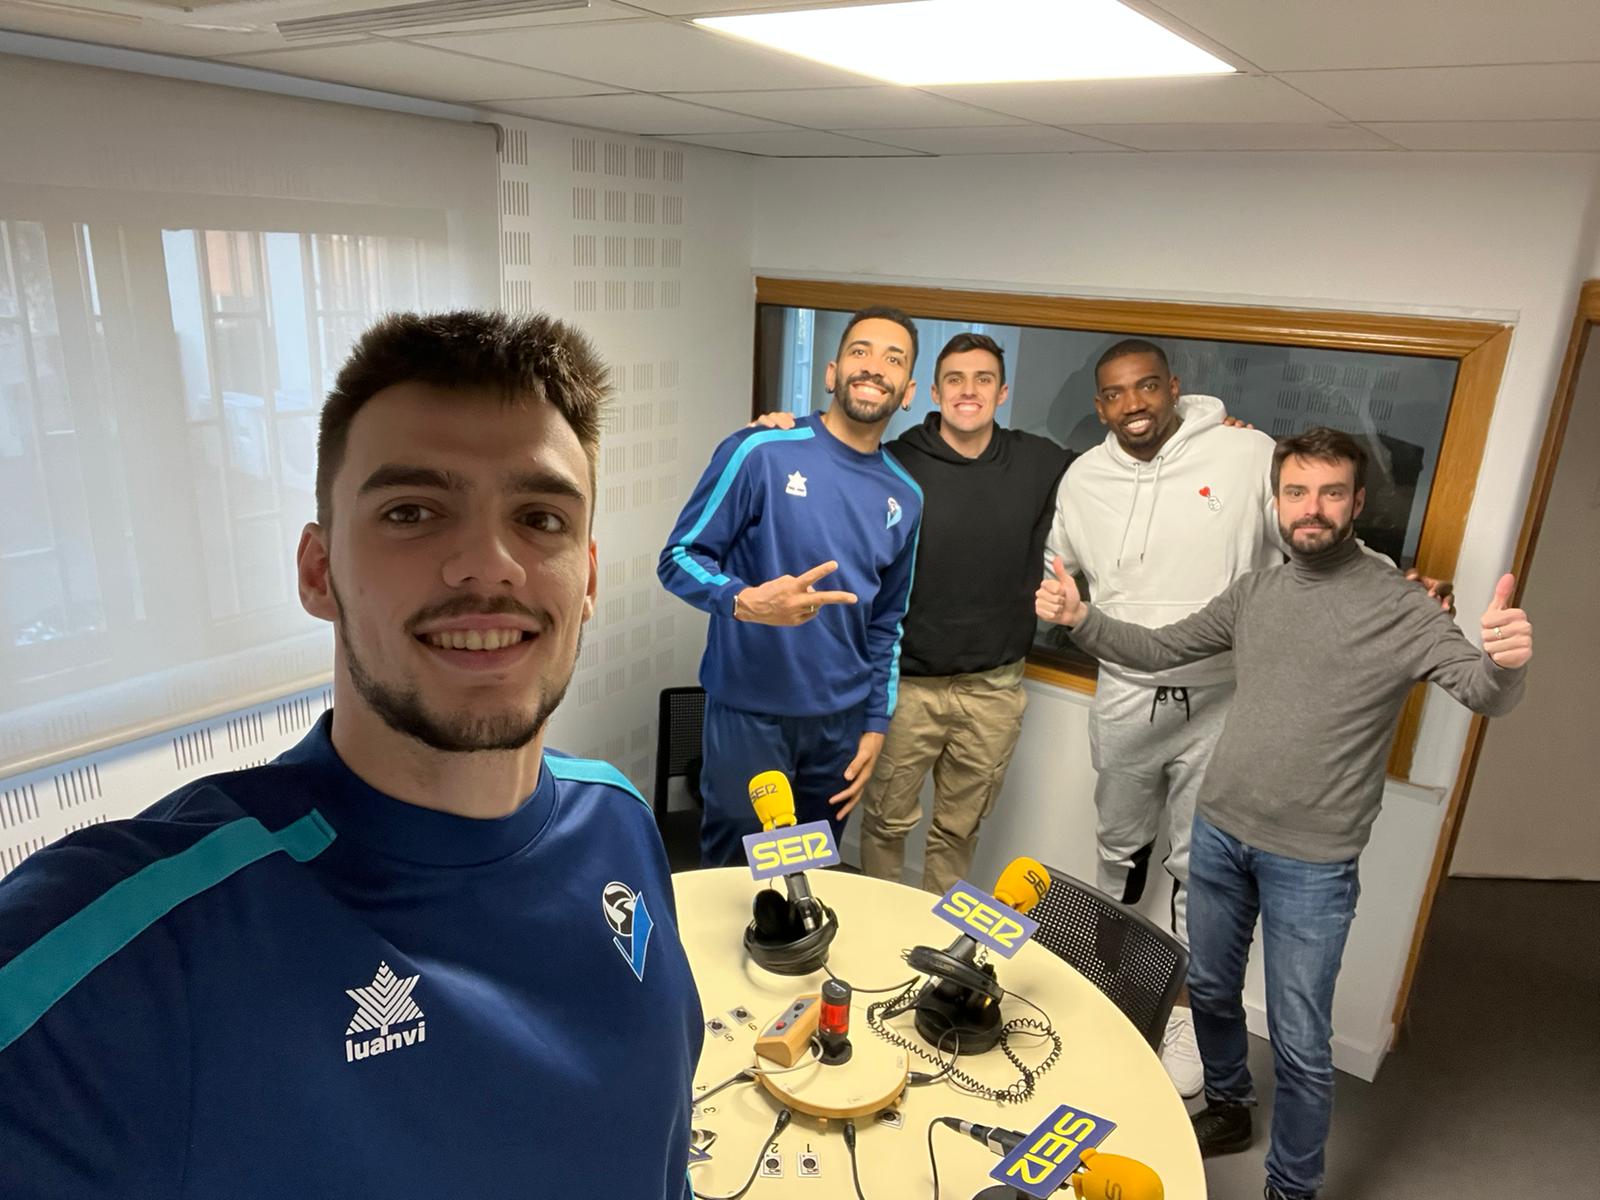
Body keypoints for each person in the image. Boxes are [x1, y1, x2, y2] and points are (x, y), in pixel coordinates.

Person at [0, 312, 703, 1199]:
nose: (488, 564)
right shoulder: (149, 944)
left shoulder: (621, 819)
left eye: (539, 517)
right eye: (412, 512)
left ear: (590, 576)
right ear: (316, 569)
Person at [1037, 426, 1531, 1200]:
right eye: (1296, 492)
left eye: (1332, 492)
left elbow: (1480, 690)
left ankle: (1292, 1186)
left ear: (1358, 503)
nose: (1313, 508)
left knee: (1301, 1043)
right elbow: (1160, 648)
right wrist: (1080, 619)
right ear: (1276, 503)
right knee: (1207, 987)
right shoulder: (1257, 594)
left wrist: (1503, 660)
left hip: (1314, 862)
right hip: (1222, 834)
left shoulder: (1400, 606)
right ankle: (1230, 1106)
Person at [1043, 337, 1446, 1097]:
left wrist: (1398, 587)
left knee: (1201, 870)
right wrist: (1062, 602)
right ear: (1100, 405)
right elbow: (1059, 563)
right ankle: (1105, 984)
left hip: (1223, 696)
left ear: (1174, 387)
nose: (1134, 404)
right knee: (1119, 851)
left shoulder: (1244, 453)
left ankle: (1188, 1019)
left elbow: (1317, 532)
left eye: (1148, 387)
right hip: (1129, 685)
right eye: (1117, 393)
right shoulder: (1083, 476)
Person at [658, 306, 923, 866]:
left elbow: (886, 625)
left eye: (892, 359)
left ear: (908, 392)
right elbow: (679, 557)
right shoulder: (759, 451)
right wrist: (744, 601)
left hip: (842, 730)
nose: (874, 367)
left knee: (808, 881)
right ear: (831, 374)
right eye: (860, 352)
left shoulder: (907, 497)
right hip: (751, 716)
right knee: (736, 879)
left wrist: (875, 726)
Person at [853, 332, 1071, 893]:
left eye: (982, 380)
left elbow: (1125, 464)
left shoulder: (1040, 461)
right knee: (884, 822)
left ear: (1003, 392)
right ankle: (883, 927)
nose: (967, 391)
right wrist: (779, 425)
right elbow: (831, 450)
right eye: (955, 379)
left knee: (959, 828)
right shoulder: (895, 463)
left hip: (993, 691)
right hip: (909, 690)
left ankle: (936, 951)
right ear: (933, 391)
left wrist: (1208, 428)